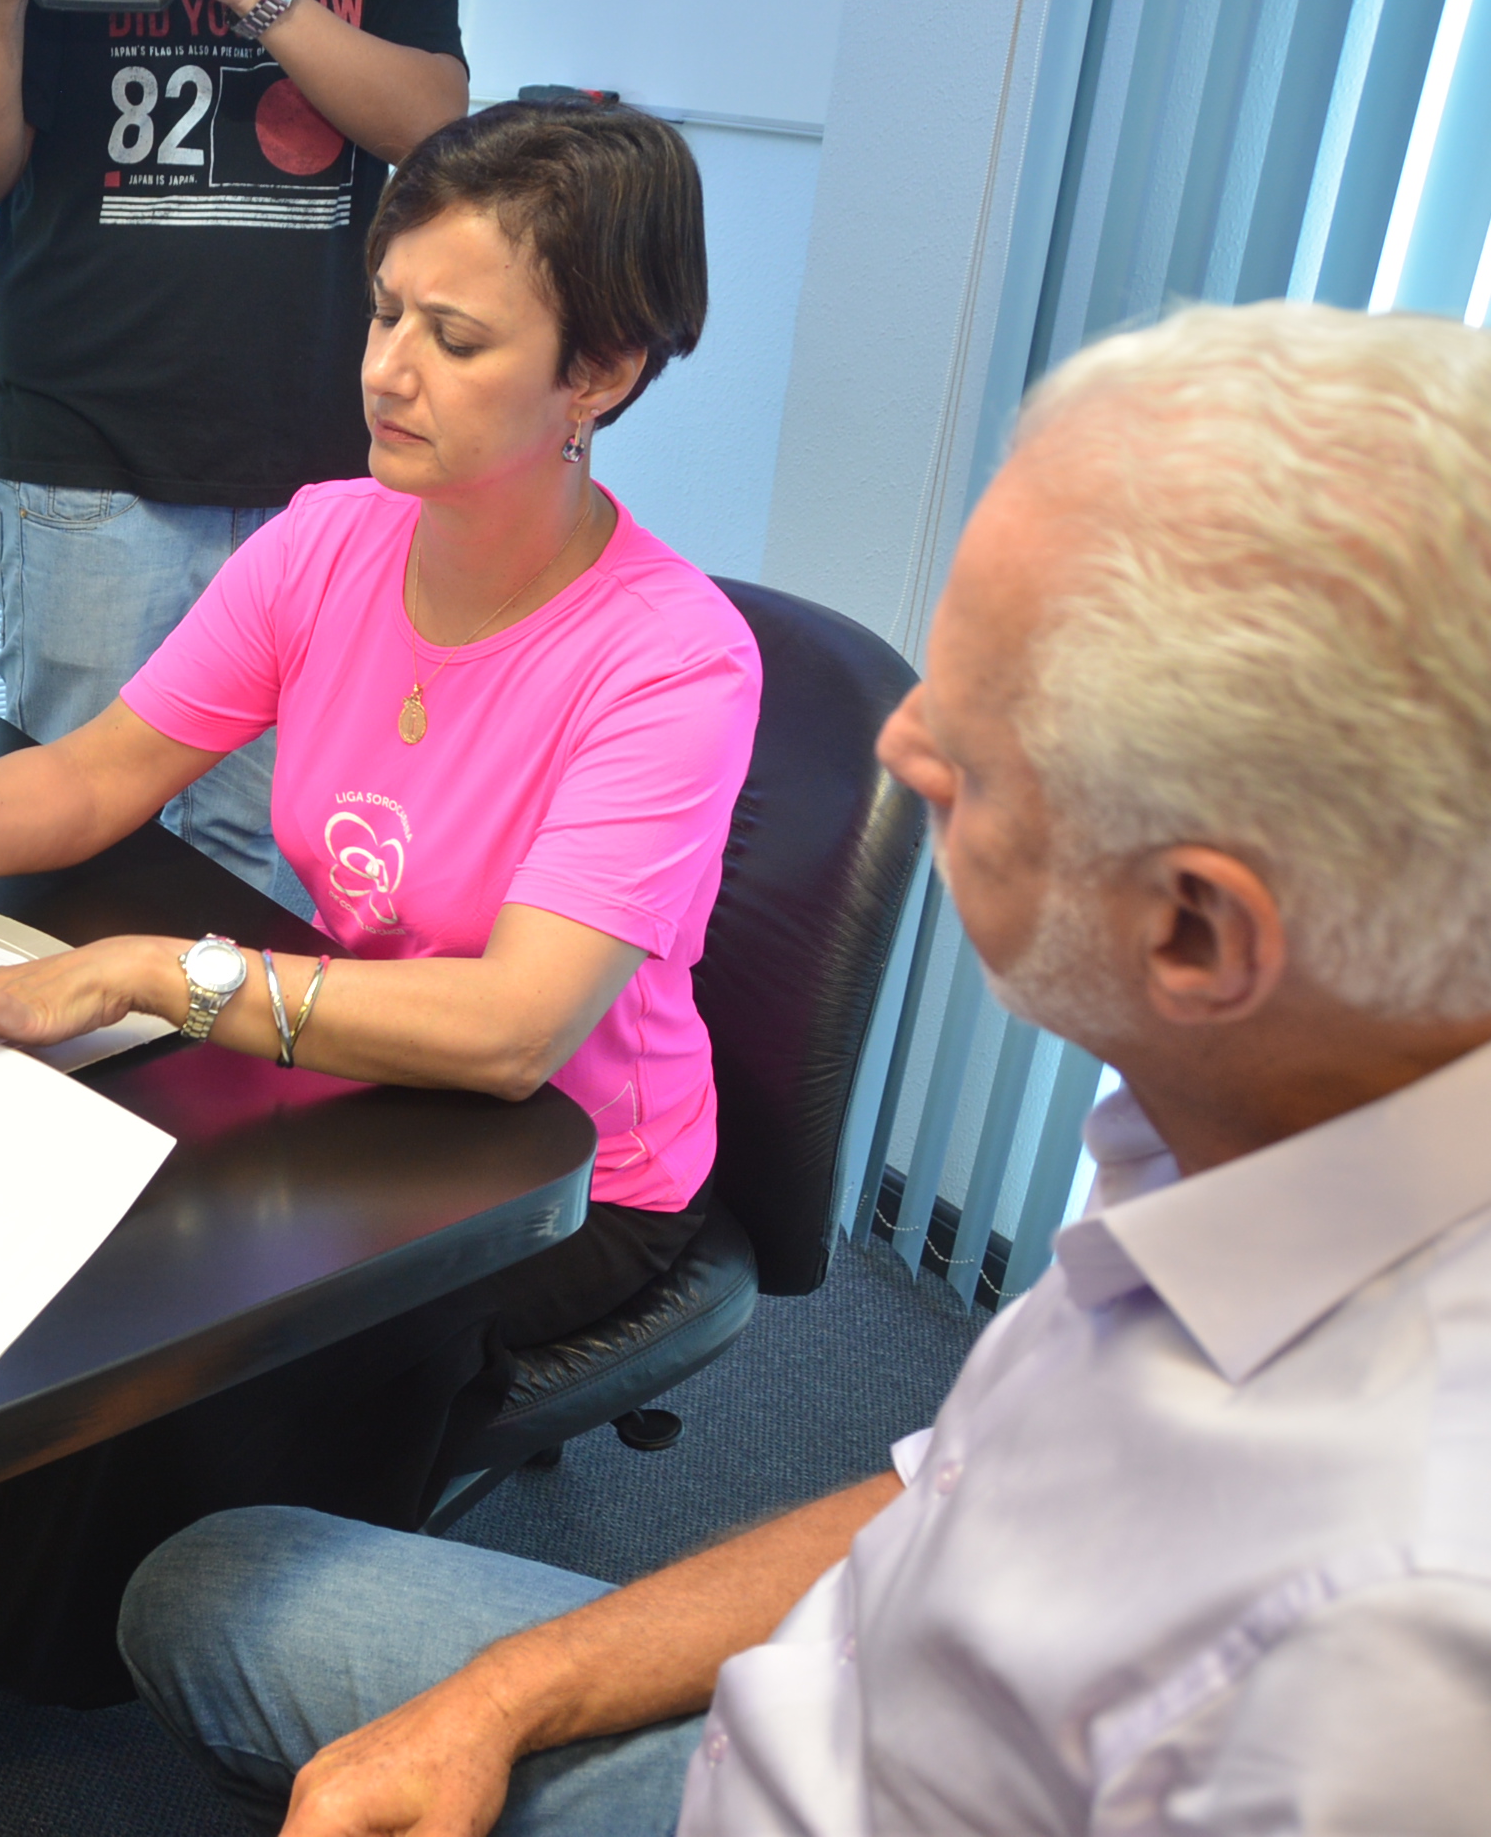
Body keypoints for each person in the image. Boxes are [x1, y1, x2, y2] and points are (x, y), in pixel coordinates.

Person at [116, 299, 1491, 1836]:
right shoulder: (1249, 1121)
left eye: (976, 742)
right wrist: (514, 1691)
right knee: (199, 1593)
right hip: (841, 1696)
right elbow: (966, 1488)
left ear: (1196, 932)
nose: (900, 753)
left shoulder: (1388, 1655)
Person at [0, 101, 759, 1837]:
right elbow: (99, 773)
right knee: (19, 1204)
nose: (386, 368)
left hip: (560, 1169)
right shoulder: (330, 540)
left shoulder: (667, 662)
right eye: (384, 311)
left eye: (455, 336)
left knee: (143, 1303)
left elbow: (512, 1031)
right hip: (358, 1075)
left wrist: (149, 973)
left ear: (604, 374)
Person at [0, 0, 469, 908]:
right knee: (77, 842)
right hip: (93, 457)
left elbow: (433, 130)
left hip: (315, 479)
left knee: (272, 865)